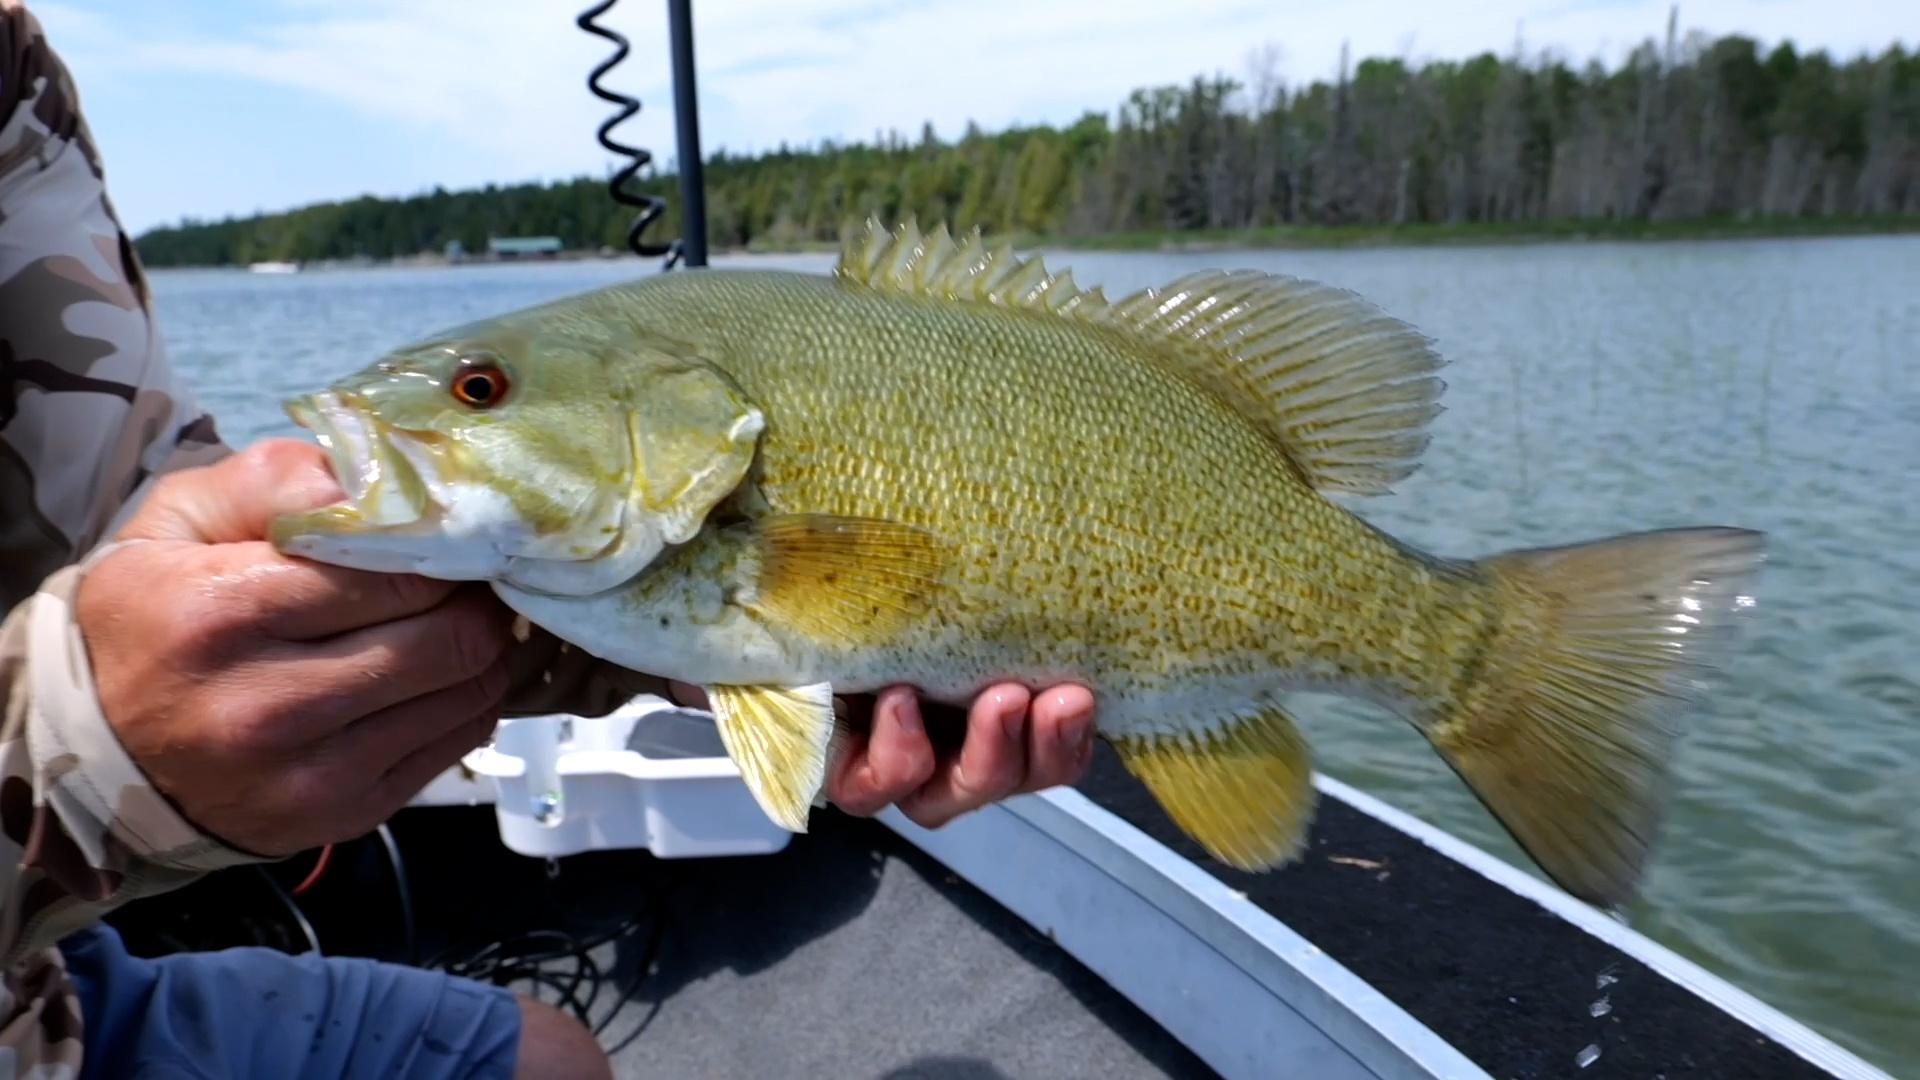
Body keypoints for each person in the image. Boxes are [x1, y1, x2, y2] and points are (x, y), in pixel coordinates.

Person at [0, 4, 1099, 1077]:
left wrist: (668, 651)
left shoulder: (15, 75)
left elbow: (135, 528)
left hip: (45, 993)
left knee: (548, 1058)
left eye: (478, 392)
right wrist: (81, 762)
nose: (409, 417)